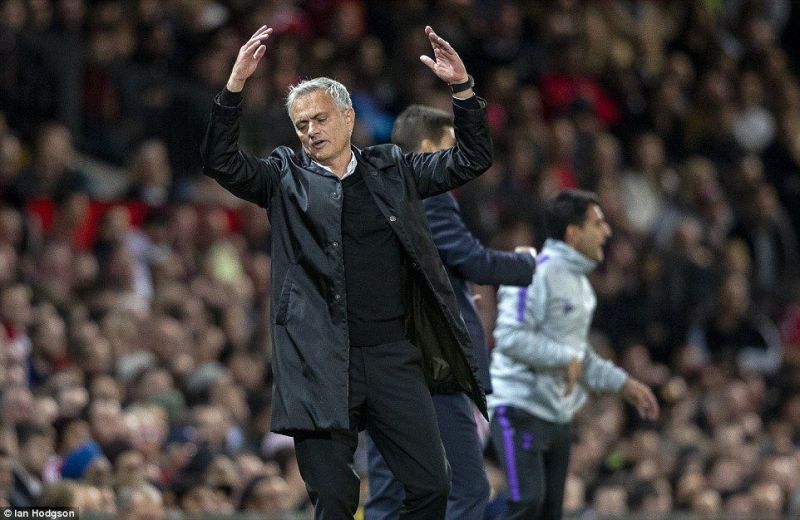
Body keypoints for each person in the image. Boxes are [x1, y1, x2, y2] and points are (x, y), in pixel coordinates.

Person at [201, 24, 492, 519]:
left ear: (349, 117)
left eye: (319, 118)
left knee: (432, 485)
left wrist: (462, 90)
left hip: (392, 357)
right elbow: (220, 160)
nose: (311, 131)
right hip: (318, 360)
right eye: (300, 124)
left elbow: (472, 158)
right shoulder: (282, 178)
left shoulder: (392, 169)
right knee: (335, 501)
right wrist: (233, 89)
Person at [364, 105, 536, 520]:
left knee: (390, 490)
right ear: (427, 149)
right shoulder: (429, 192)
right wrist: (529, 264)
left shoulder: (372, 192)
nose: (458, 159)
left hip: (384, 361)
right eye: (450, 148)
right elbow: (469, 259)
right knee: (468, 489)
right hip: (434, 364)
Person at [489, 189, 660, 520]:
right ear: (573, 233)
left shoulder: (581, 287)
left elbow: (578, 354)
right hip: (518, 407)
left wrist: (624, 384)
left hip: (557, 416)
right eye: (598, 224)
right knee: (526, 503)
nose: (607, 232)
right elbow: (508, 337)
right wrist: (563, 359)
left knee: (550, 512)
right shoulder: (533, 272)